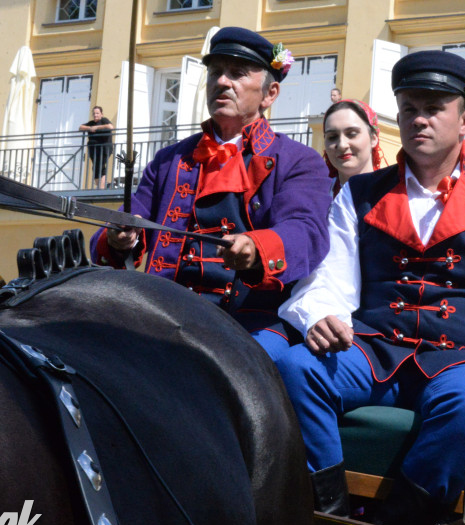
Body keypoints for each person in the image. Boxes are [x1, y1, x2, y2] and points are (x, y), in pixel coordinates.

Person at [276, 51, 465, 525]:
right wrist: (320, 313)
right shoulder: (359, 194)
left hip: (464, 357)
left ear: (464, 119)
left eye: (433, 107)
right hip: (373, 350)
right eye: (409, 108)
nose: (419, 118)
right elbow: (327, 277)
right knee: (296, 367)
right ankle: (329, 515)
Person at [91, 27, 332, 361]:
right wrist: (121, 237)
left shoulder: (299, 161)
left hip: (253, 323)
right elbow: (130, 219)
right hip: (162, 313)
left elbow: (306, 231)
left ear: (270, 93)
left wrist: (258, 247)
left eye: (237, 73)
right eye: (216, 72)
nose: (222, 81)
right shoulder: (168, 161)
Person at [322, 99, 384, 195]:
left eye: (352, 134)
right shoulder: (315, 196)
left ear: (373, 139)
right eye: (332, 137)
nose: (342, 145)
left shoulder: (394, 193)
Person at [79, 105, 113, 189]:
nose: (95, 115)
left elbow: (110, 126)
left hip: (104, 148)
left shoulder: (104, 120)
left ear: (101, 114)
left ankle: (101, 188)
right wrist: (90, 128)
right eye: (94, 113)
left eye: (97, 113)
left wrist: (97, 127)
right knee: (95, 167)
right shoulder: (91, 123)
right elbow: (80, 127)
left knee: (100, 166)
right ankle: (103, 186)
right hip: (94, 149)